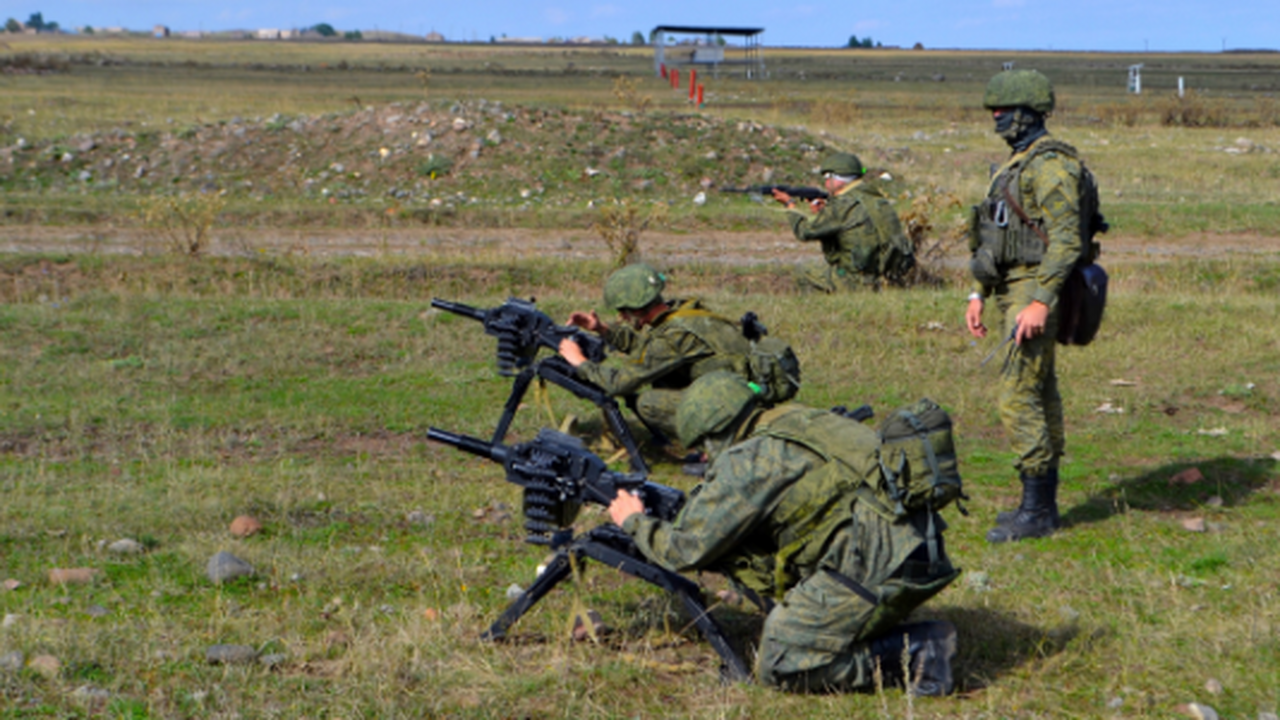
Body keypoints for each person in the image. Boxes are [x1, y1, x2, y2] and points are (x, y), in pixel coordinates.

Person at [608, 371, 959, 694]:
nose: (703, 457)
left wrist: (633, 521)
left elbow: (685, 550)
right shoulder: (800, 419)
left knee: (781, 664)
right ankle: (841, 623)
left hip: (876, 565)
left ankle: (918, 649)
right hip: (920, 549)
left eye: (702, 448)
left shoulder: (749, 459)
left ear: (715, 434)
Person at [964, 69, 1092, 543]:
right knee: (1038, 388)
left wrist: (1040, 300)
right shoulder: (1017, 163)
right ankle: (1041, 506)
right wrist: (977, 292)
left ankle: (1037, 510)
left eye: (1003, 111)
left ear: (1027, 113)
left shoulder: (1051, 166)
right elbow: (992, 234)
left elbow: (1065, 241)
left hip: (1033, 286)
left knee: (1019, 393)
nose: (996, 118)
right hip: (1010, 285)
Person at [557, 262, 754, 446]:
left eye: (622, 311)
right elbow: (648, 350)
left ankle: (719, 445)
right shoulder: (680, 312)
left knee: (648, 404)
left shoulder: (672, 336)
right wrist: (602, 329)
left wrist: (581, 362)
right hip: (740, 388)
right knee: (664, 379)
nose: (621, 317)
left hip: (737, 403)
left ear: (633, 309)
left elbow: (619, 384)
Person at [773, 152, 914, 292]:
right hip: (888, 277)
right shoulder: (876, 198)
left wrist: (790, 205)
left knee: (803, 272)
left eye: (827, 177)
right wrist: (823, 212)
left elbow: (804, 231)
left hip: (859, 281)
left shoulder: (841, 205)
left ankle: (823, 310)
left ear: (838, 180)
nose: (826, 183)